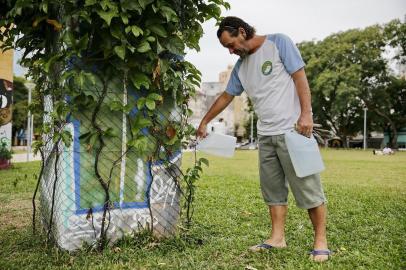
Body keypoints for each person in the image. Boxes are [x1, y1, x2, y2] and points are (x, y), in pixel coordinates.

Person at [196, 16, 330, 262]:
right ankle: (277, 238)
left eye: (231, 44)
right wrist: (204, 121)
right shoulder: (240, 68)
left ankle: (320, 240)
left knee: (308, 187)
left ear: (241, 32)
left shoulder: (279, 43)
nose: (231, 51)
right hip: (266, 135)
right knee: (273, 190)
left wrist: (306, 115)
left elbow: (300, 77)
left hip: (294, 130)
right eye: (227, 48)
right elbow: (226, 97)